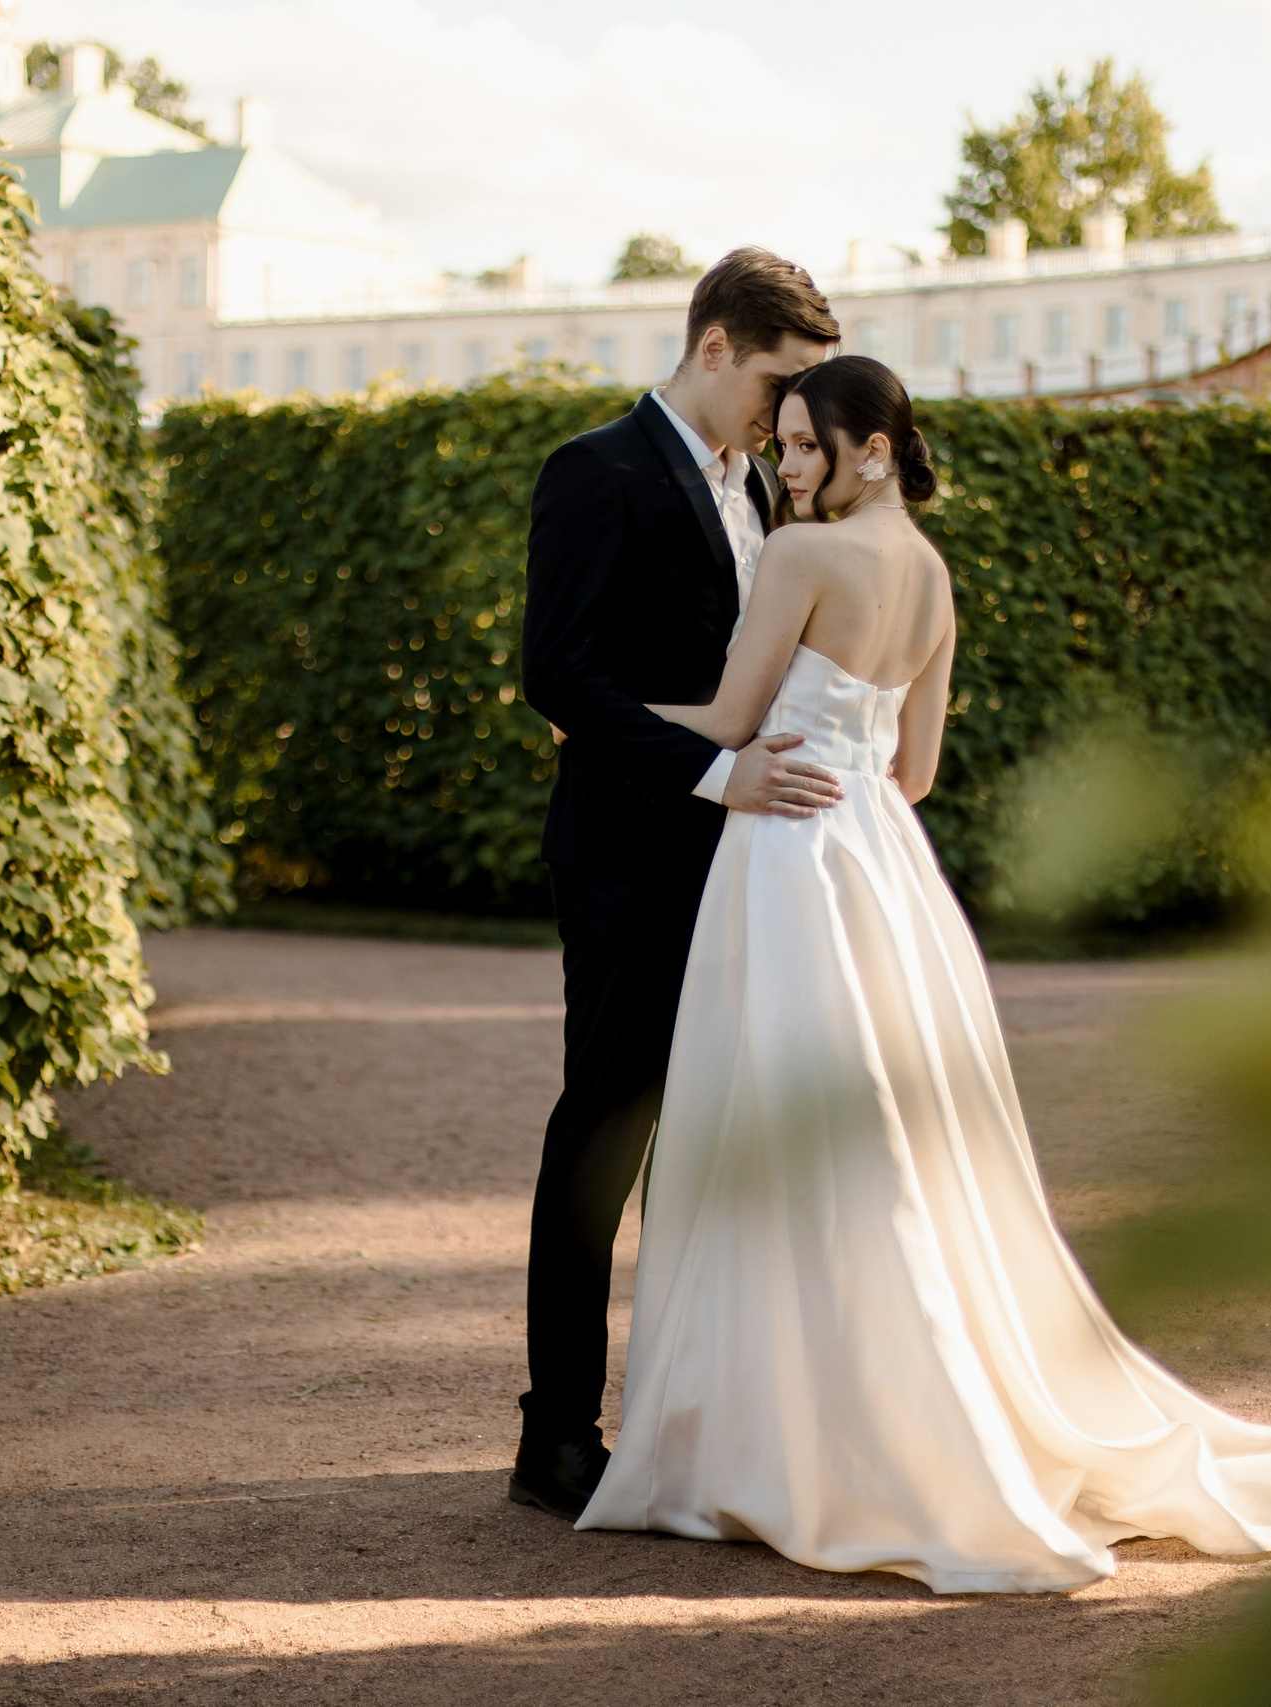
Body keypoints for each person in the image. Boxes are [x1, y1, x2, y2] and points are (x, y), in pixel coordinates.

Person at [573, 355, 1271, 1591]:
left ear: (873, 448)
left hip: (789, 857)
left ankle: (782, 1439)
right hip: (887, 869)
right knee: (903, 1146)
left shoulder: (800, 557)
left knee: (777, 1130)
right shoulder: (932, 575)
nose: (788, 467)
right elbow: (917, 774)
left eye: (807, 446)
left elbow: (727, 723)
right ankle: (893, 1417)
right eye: (784, 444)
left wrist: (595, 717)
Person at [512, 249, 841, 1518]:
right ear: (714, 347)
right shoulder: (592, 471)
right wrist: (714, 774)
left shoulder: (762, 485)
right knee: (607, 1129)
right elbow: (558, 676)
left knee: (714, 1137)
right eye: (775, 382)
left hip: (748, 863)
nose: (786, 413)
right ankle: (555, 1437)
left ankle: (688, 1422)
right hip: (628, 858)